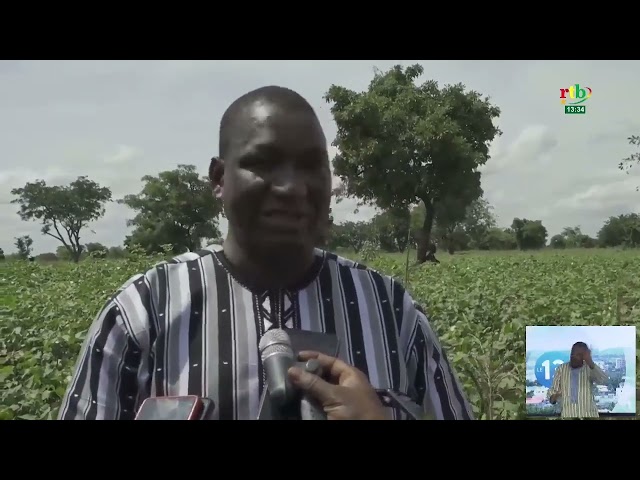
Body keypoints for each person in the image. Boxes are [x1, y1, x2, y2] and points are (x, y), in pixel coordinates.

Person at [57, 85, 474, 420]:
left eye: (312, 165)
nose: (293, 188)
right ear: (220, 179)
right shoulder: (143, 313)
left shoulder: (391, 310)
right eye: (265, 163)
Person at [548, 342, 608, 418]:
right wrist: (554, 397)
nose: (573, 357)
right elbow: (552, 394)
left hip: (589, 415)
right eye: (572, 354)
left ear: (584, 356)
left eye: (578, 355)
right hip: (568, 415)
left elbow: (603, 380)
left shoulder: (589, 368)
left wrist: (590, 363)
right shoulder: (561, 369)